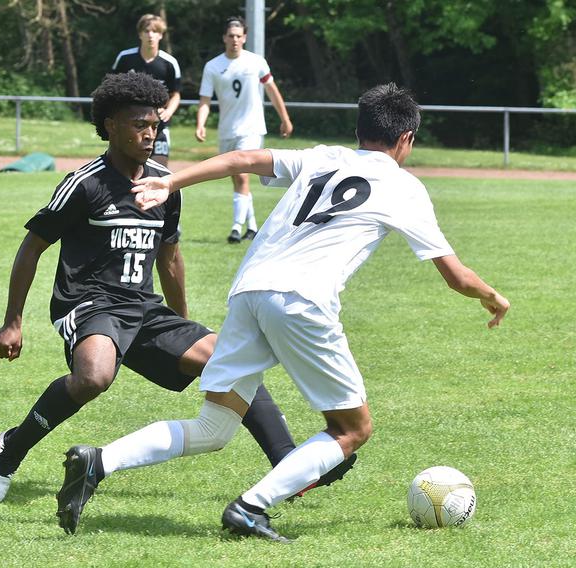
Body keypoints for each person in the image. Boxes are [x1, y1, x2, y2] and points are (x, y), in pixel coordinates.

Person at [55, 83, 510, 541]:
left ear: (359, 129)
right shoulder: (404, 187)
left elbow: (239, 160)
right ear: (406, 139)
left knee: (214, 426)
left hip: (249, 292)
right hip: (302, 301)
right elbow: (455, 276)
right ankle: (252, 507)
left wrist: (169, 180)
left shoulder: (324, 156)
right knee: (352, 429)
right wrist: (492, 296)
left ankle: (99, 460)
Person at [0, 72, 344, 506]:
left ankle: (286, 462)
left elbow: (170, 258)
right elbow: (32, 246)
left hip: (144, 308)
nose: (149, 133)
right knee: (94, 377)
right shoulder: (86, 184)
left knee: (228, 358)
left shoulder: (164, 184)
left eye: (154, 125)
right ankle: (10, 451)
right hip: (90, 303)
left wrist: (183, 323)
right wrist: (12, 322)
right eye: (138, 124)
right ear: (110, 125)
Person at [195, 16, 293, 244]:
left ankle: (236, 229)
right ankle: (252, 227)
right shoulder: (213, 66)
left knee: (241, 175)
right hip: (226, 130)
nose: (235, 40)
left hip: (251, 129)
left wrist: (285, 118)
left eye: (239, 36)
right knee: (237, 179)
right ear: (224, 38)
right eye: (231, 36)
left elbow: (272, 90)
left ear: (245, 38)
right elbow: (205, 101)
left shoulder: (256, 62)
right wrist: (200, 123)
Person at [111, 13, 181, 167]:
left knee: (160, 171)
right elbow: (112, 89)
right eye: (146, 31)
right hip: (129, 126)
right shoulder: (125, 58)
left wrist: (169, 111)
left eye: (155, 31)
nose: (150, 35)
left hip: (160, 127)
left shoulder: (169, 63)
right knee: (126, 170)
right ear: (140, 34)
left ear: (161, 35)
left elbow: (175, 95)